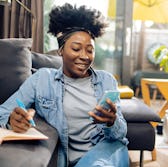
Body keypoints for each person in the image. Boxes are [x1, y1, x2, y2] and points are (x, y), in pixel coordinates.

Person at [0, 3, 129, 167]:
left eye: (90, 50)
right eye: (76, 48)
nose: (84, 56)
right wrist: (12, 120)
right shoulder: (42, 79)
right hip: (67, 159)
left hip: (107, 151)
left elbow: (120, 133)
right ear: (61, 50)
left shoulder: (107, 80)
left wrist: (112, 121)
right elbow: (3, 111)